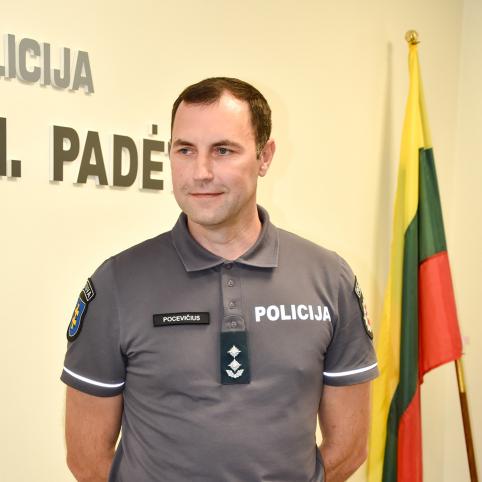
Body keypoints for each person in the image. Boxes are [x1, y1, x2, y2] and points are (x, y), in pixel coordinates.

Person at [61, 77, 378, 482]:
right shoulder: (116, 284)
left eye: (223, 150)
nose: (201, 172)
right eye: (185, 150)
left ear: (265, 157)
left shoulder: (330, 279)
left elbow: (349, 447)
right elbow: (86, 458)